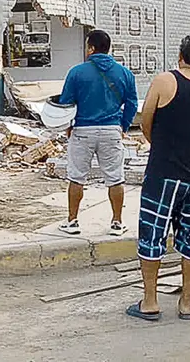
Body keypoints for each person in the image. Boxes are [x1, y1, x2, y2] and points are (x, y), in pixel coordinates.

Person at [126, 33, 190, 322]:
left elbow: (146, 123)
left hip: (163, 174)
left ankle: (150, 301)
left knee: (152, 235)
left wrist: (163, 146)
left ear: (180, 55)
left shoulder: (164, 81)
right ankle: (186, 302)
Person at [58, 29, 138, 236]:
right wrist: (124, 126)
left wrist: (68, 126)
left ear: (91, 48)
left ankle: (73, 221)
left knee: (76, 177)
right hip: (112, 130)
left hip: (83, 130)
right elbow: (132, 103)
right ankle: (117, 222)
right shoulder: (124, 73)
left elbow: (65, 103)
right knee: (115, 178)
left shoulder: (76, 72)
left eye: (87, 46)